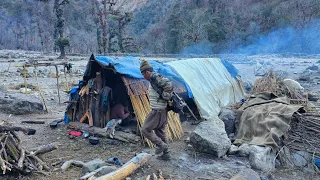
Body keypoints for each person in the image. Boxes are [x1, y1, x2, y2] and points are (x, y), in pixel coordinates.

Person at [140, 60, 173, 160]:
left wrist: (166, 95)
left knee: (145, 129)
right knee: (160, 131)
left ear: (146, 72)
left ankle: (162, 146)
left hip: (157, 110)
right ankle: (166, 155)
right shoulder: (153, 79)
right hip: (162, 110)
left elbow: (168, 84)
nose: (143, 77)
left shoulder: (154, 77)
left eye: (143, 74)